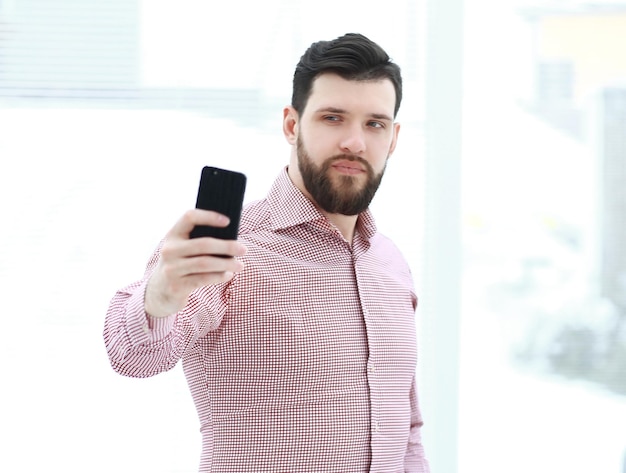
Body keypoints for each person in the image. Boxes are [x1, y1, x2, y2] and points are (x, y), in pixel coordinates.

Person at [104, 32, 430, 473]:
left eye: (374, 124)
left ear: (392, 138)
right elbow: (134, 356)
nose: (355, 142)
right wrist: (160, 294)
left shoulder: (390, 262)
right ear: (292, 125)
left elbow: (406, 433)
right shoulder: (230, 250)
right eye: (333, 118)